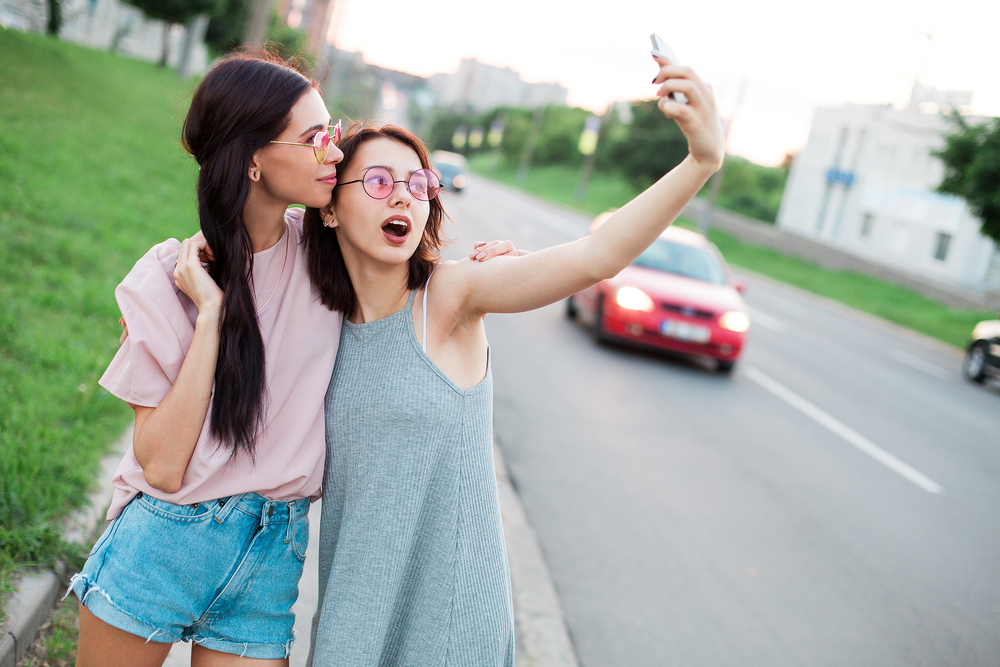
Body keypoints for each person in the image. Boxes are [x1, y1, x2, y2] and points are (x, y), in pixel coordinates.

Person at [69, 52, 514, 667]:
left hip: (272, 557)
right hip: (163, 543)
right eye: (314, 139)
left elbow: (408, 264)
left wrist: (481, 272)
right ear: (254, 159)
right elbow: (164, 468)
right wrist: (211, 319)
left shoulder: (327, 255)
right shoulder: (166, 280)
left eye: (331, 135)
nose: (333, 153)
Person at [304, 53, 724, 666]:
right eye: (377, 182)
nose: (404, 196)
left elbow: (595, 257)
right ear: (331, 207)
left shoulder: (449, 298)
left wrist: (700, 162)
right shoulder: (321, 326)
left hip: (448, 635)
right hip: (351, 629)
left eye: (418, 184)